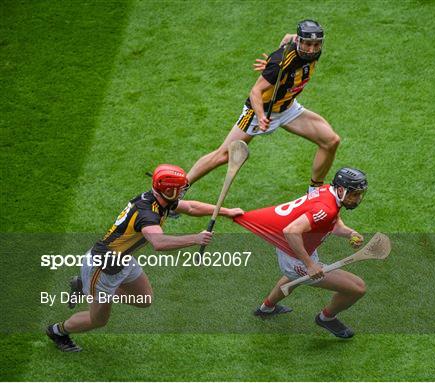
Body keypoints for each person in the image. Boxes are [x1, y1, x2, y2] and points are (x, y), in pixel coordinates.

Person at [46, 164, 243, 352]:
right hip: (102, 268)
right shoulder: (147, 213)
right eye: (179, 188)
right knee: (98, 320)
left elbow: (190, 207)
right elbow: (159, 243)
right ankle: (58, 331)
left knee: (144, 299)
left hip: (123, 260)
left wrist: (226, 212)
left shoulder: (160, 199)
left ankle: (84, 286)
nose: (183, 191)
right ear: (167, 191)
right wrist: (195, 238)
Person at [187, 20, 340, 191]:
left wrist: (273, 57)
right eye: (308, 44)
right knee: (224, 155)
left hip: (287, 108)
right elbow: (255, 92)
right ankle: (178, 189)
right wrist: (260, 116)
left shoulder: (310, 49)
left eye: (316, 44)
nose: (312, 50)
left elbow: (288, 37)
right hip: (259, 111)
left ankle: (314, 191)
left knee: (331, 141)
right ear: (299, 42)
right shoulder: (281, 63)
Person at [234, 167, 368, 338]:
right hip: (296, 255)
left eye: (359, 194)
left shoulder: (328, 191)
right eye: (354, 194)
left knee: (292, 279)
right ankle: (326, 318)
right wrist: (310, 264)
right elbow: (291, 231)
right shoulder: (327, 208)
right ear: (341, 190)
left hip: (300, 248)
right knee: (357, 288)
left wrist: (350, 233)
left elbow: (334, 223)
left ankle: (266, 308)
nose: (357, 199)